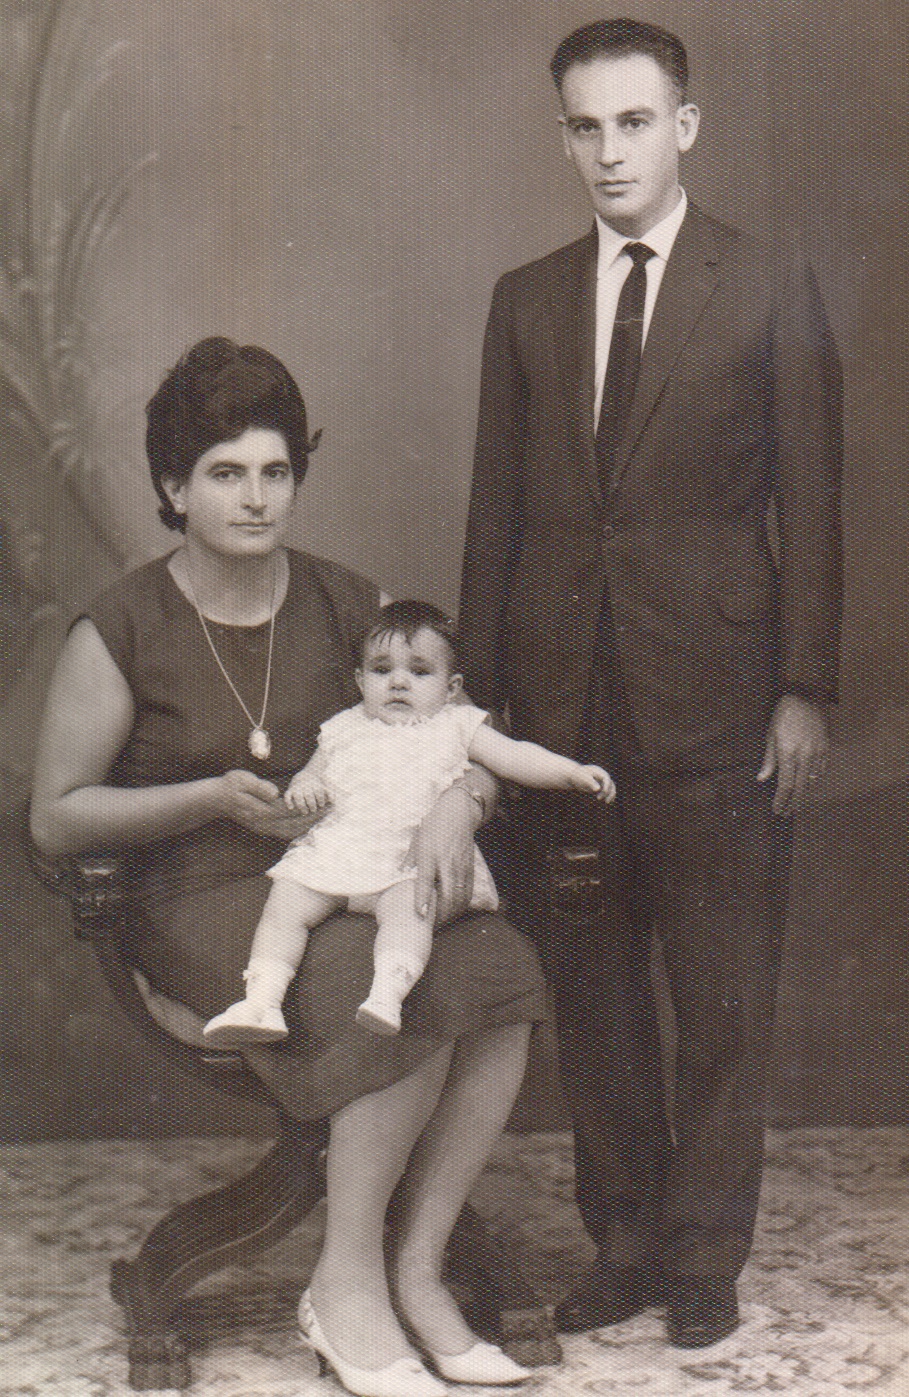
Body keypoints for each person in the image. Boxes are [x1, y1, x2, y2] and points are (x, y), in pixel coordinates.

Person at [30, 337, 545, 1395]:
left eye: (275, 471)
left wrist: (462, 802)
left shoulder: (349, 601)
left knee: (494, 963)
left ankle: (419, 1265)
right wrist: (208, 795)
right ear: (174, 486)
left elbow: (464, 732)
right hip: (196, 894)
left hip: (355, 869)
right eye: (225, 473)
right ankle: (344, 1281)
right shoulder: (123, 625)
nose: (256, 498)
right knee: (372, 973)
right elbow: (55, 817)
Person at [458, 18, 842, 1351]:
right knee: (597, 988)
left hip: (722, 698)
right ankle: (621, 1239)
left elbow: (815, 500)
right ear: (561, 133)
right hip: (561, 712)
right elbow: (493, 516)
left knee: (721, 992)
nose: (608, 151)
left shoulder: (767, 280)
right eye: (585, 126)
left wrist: (803, 686)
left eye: (634, 122)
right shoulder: (525, 297)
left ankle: (703, 1255)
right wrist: (477, 714)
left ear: (684, 125)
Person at [203, 598, 614, 1045]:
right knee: (285, 903)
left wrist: (571, 773)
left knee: (411, 907)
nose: (399, 682)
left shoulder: (458, 724)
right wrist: (305, 785)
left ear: (452, 686)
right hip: (339, 851)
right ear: (361, 681)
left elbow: (514, 758)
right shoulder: (344, 727)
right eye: (382, 671)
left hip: (407, 857)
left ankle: (387, 993)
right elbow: (313, 771)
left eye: (420, 672)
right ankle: (262, 1000)